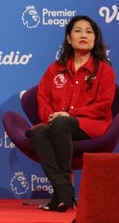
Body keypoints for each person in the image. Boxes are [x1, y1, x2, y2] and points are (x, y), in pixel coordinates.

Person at [26, 15, 115, 212]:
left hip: (91, 124)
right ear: (68, 38)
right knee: (38, 132)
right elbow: (43, 99)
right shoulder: (55, 69)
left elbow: (103, 105)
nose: (83, 35)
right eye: (78, 31)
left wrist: (69, 115)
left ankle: (62, 191)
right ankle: (64, 190)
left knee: (60, 124)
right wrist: (51, 115)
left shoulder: (104, 70)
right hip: (57, 122)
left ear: (94, 39)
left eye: (89, 32)